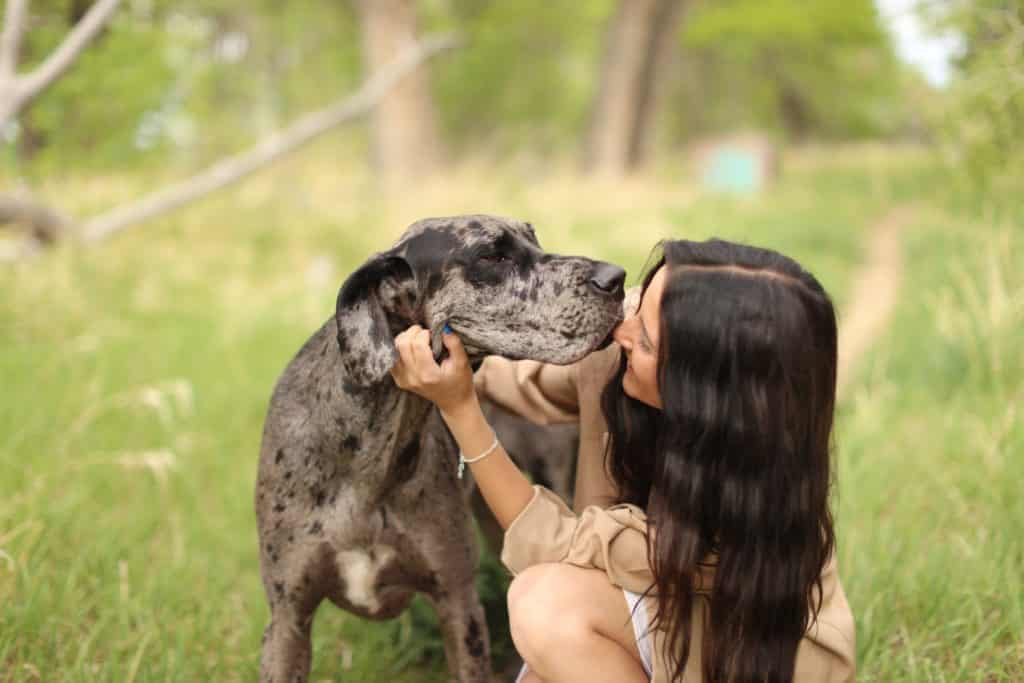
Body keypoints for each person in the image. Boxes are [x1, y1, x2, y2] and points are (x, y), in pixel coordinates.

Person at [389, 239, 855, 683]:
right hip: (671, 614)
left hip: (755, 657)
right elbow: (521, 378)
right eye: (638, 308)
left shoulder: (743, 493)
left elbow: (554, 546)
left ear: (700, 396)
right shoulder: (620, 363)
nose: (621, 331)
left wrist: (460, 410)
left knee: (544, 608)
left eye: (647, 341)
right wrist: (453, 355)